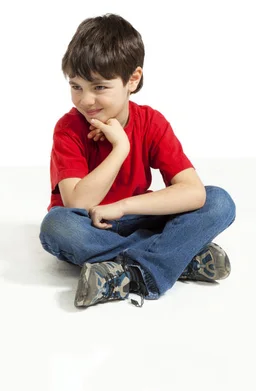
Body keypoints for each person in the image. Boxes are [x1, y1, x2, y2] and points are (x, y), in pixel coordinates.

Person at [39, 13, 236, 308]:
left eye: (99, 87)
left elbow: (193, 192)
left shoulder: (151, 122)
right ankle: (175, 257)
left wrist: (124, 206)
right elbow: (77, 204)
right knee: (57, 227)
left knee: (218, 201)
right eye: (76, 86)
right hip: (90, 225)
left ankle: (128, 272)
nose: (85, 100)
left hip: (137, 216)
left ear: (133, 79)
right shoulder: (68, 128)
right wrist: (120, 149)